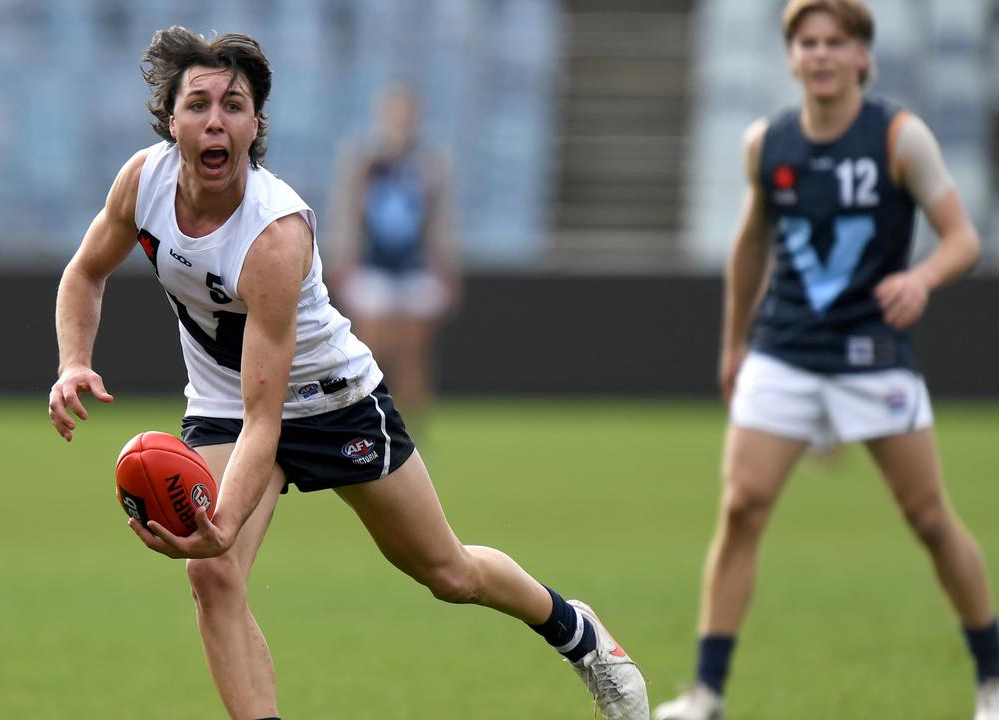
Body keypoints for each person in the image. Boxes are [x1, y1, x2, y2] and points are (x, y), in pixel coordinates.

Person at [48, 27, 648, 720]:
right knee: (213, 575)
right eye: (199, 103)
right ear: (171, 120)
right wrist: (73, 362)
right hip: (225, 401)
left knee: (446, 572)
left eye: (235, 105)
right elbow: (85, 273)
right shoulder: (143, 181)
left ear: (255, 124)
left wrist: (225, 517)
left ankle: (581, 636)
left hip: (329, 402)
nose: (216, 119)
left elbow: (267, 420)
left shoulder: (274, 235)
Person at [654, 2, 998, 719]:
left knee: (930, 518)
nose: (820, 55)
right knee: (742, 508)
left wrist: (922, 277)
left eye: (835, 43)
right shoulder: (767, 145)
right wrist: (733, 344)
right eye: (807, 43)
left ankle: (992, 676)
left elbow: (963, 238)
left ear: (862, 57)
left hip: (874, 357)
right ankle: (707, 693)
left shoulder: (900, 138)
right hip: (784, 354)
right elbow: (750, 245)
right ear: (790, 59)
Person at [324, 83, 461, 437]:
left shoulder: (429, 161)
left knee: (413, 352)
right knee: (369, 350)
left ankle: (412, 431)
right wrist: (343, 258)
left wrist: (445, 265)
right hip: (372, 267)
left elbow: (439, 219)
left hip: (414, 268)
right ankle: (367, 424)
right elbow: (348, 210)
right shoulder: (364, 159)